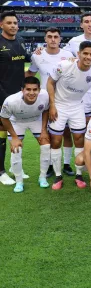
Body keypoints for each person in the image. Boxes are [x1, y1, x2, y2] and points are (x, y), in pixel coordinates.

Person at [47, 41, 91, 190]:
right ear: (78, 54)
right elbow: (50, 82)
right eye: (85, 53)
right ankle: (58, 175)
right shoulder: (64, 66)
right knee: (56, 140)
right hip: (59, 105)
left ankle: (79, 175)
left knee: (79, 139)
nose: (88, 57)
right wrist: (52, 105)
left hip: (77, 106)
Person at [27, 27, 75, 177]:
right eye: (50, 36)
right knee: (47, 134)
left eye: (56, 36)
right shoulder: (37, 56)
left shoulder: (68, 55)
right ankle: (49, 165)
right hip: (44, 100)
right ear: (45, 39)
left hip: (64, 99)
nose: (53, 39)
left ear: (60, 39)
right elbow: (30, 73)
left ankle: (66, 164)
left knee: (66, 133)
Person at [0, 77, 50, 192]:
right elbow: (4, 118)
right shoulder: (11, 101)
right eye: (28, 89)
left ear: (39, 89)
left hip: (35, 120)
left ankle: (42, 177)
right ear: (22, 90)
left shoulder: (45, 95)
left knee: (46, 146)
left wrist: (43, 130)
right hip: (17, 121)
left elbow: (46, 110)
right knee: (16, 149)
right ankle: (19, 182)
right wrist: (14, 137)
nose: (32, 93)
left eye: (35, 89)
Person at [0, 11, 31, 185]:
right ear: (1, 25)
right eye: (9, 23)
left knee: (16, 134)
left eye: (15, 23)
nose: (13, 26)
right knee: (2, 135)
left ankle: (14, 167)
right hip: (2, 97)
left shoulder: (20, 41)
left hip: (19, 96)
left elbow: (28, 59)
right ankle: (1, 171)